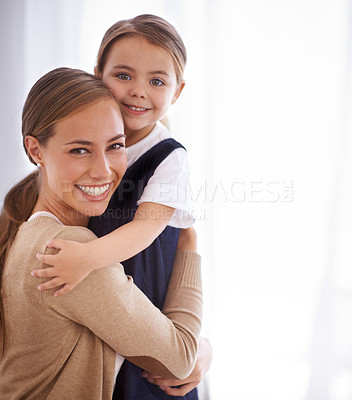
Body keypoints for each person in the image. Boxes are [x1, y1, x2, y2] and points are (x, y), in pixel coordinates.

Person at [32, 15, 212, 398]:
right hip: (106, 311)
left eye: (157, 81)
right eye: (124, 76)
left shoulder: (169, 158)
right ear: (98, 74)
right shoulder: (68, 143)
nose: (138, 92)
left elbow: (146, 228)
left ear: (177, 92)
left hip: (146, 302)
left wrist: (87, 258)